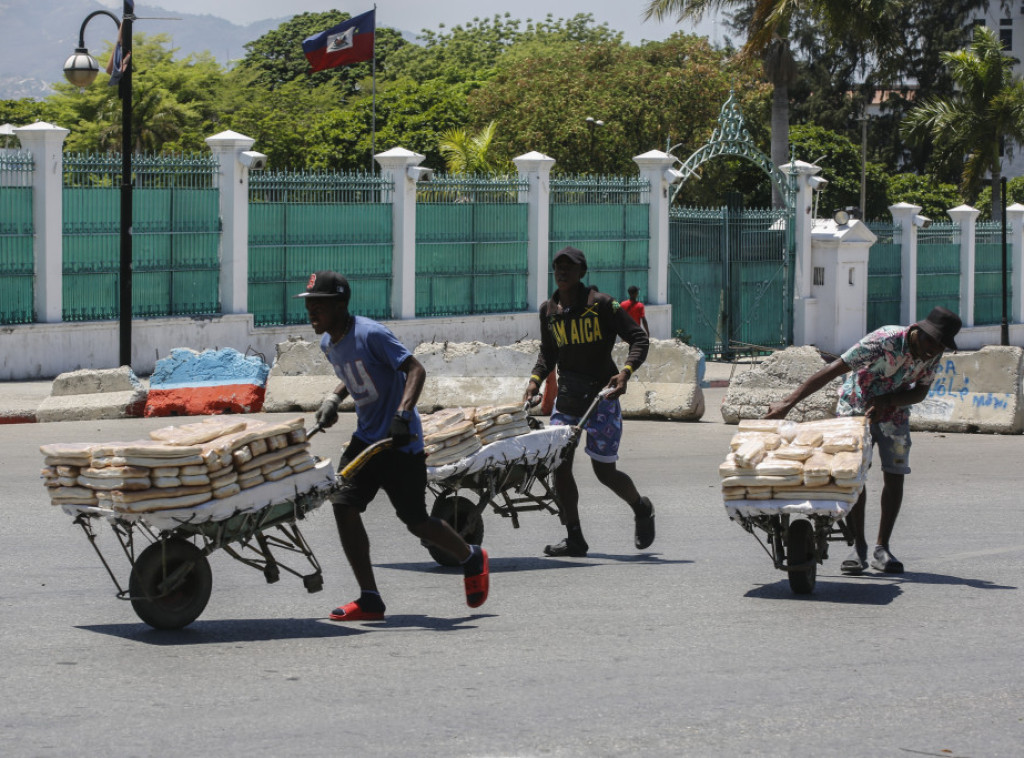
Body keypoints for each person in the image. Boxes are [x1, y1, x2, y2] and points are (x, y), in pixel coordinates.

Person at [298, 270, 489, 620]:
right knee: (343, 505)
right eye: (309, 304)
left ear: (341, 305)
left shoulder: (371, 334)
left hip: (401, 443)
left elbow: (415, 370)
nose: (311, 311)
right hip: (367, 440)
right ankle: (370, 598)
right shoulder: (329, 343)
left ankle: (470, 556)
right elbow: (353, 375)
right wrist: (332, 398)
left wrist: (404, 413)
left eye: (319, 305)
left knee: (416, 521)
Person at [765, 306, 962, 574]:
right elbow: (835, 369)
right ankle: (858, 547)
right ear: (918, 330)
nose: (933, 350)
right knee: (854, 475)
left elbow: (920, 393)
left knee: (895, 474)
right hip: (856, 406)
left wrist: (887, 401)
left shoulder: (931, 353)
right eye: (931, 342)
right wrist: (787, 403)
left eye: (940, 347)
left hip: (895, 414)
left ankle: (883, 548)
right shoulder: (884, 340)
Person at [523, 246, 655, 557]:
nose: (562, 272)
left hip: (601, 396)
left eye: (569, 267)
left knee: (604, 472)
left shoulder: (602, 306)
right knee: (560, 465)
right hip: (567, 399)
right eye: (558, 267)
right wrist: (533, 382)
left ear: (583, 272)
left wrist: (624, 374)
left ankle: (641, 507)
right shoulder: (549, 311)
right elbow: (548, 353)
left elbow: (639, 338)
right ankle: (575, 537)